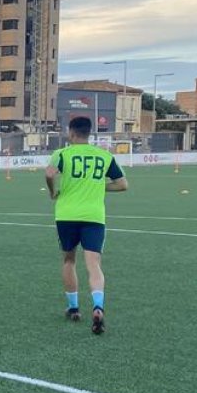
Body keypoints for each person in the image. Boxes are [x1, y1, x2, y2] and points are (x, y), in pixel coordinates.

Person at [46, 116, 128, 335]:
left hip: (66, 214)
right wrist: (101, 188)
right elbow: (122, 185)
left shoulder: (62, 154)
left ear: (71, 133)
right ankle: (98, 306)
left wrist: (52, 190)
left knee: (69, 259)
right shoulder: (103, 156)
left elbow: (49, 174)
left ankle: (73, 308)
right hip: (94, 216)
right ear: (88, 133)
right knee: (93, 264)